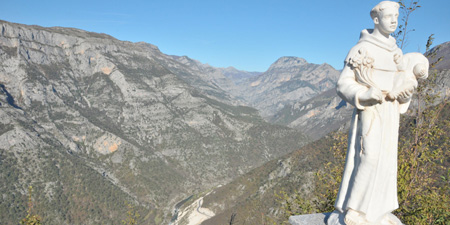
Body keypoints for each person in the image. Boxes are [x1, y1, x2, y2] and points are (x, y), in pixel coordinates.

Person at [327, 1, 428, 224]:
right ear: (376, 19)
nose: (394, 21)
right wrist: (363, 96)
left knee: (387, 160)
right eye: (389, 16)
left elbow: (402, 83)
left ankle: (379, 211)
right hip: (370, 112)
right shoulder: (361, 49)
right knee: (369, 157)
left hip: (390, 112)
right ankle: (354, 210)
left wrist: (405, 95)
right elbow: (343, 84)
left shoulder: (396, 52)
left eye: (396, 17)